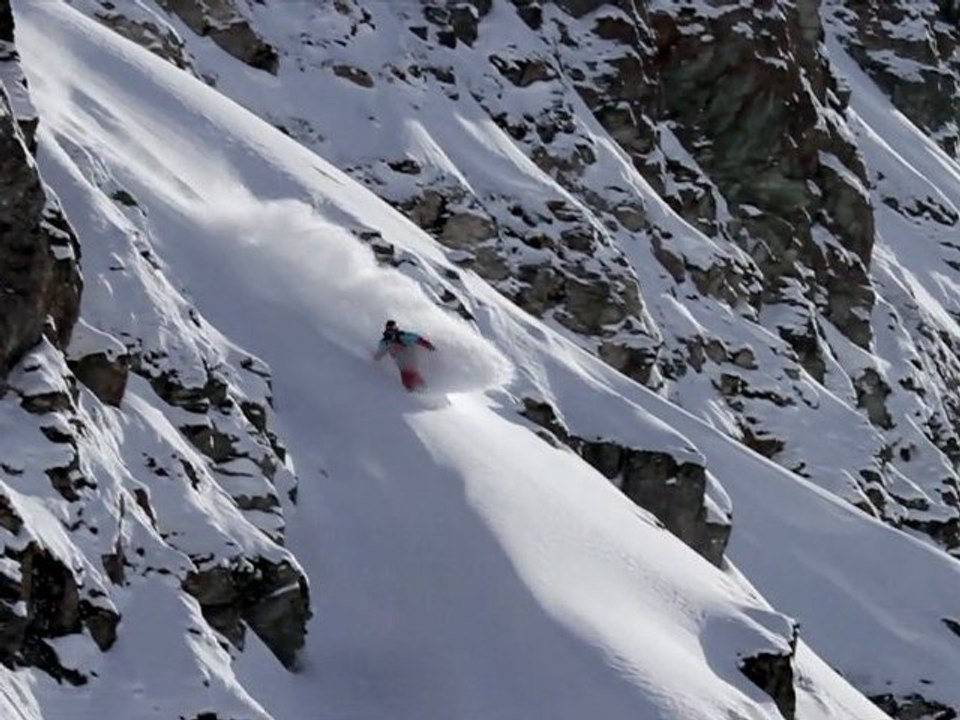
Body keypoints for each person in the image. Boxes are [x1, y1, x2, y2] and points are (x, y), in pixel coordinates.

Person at [373, 320, 436, 391]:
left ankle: (421, 389)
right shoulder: (385, 342)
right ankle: (414, 391)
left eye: (393, 329)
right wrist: (376, 358)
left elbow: (417, 339)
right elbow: (381, 352)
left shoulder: (402, 336)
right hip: (401, 363)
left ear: (396, 329)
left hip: (409, 357)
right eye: (389, 329)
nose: (391, 332)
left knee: (411, 373)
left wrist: (428, 345)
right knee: (407, 377)